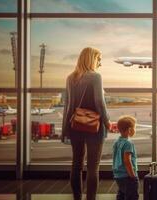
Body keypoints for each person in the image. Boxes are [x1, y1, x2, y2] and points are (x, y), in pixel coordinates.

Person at [62, 47, 111, 200]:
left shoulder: (70, 78)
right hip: (94, 126)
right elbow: (99, 102)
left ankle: (77, 197)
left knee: (76, 165)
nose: (100, 63)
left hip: (75, 125)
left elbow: (68, 106)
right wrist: (107, 121)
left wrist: (65, 129)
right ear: (92, 59)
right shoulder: (96, 76)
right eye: (99, 59)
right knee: (92, 168)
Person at [113, 115, 139, 200]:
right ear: (129, 130)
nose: (135, 130)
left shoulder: (117, 142)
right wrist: (132, 176)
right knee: (132, 196)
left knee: (122, 194)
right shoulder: (128, 143)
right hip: (127, 175)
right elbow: (127, 161)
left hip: (118, 175)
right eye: (134, 128)